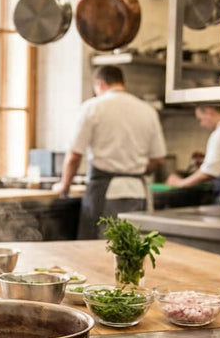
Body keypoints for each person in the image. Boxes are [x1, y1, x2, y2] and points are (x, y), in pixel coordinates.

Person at [52, 65, 167, 239]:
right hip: (138, 193)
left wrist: (64, 186)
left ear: (99, 84)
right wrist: (133, 168)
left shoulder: (93, 107)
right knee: (132, 250)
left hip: (105, 194)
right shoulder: (147, 110)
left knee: (98, 251)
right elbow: (159, 159)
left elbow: (74, 156)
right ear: (122, 83)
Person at [166, 105, 220, 199]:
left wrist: (180, 183)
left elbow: (209, 172)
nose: (202, 124)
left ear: (209, 112)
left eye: (201, 119)